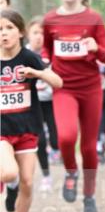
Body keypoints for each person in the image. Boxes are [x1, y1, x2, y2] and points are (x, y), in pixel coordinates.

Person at [42, 0, 105, 212]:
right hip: (63, 87)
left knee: (90, 147)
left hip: (91, 88)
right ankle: (71, 171)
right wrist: (44, 65)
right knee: (66, 137)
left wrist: (95, 48)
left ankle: (89, 196)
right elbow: (46, 50)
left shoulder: (94, 18)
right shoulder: (50, 19)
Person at [1, 10, 63, 212]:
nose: (4, 33)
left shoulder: (29, 57)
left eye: (8, 28)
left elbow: (58, 82)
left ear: (20, 32)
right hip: (1, 129)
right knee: (9, 173)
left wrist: (36, 73)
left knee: (27, 181)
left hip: (27, 128)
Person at [26, 17, 60, 192]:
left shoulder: (54, 53)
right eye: (35, 33)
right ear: (27, 34)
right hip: (33, 104)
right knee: (40, 140)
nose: (39, 37)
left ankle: (56, 151)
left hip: (51, 102)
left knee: (56, 139)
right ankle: (46, 176)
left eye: (42, 33)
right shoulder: (22, 54)